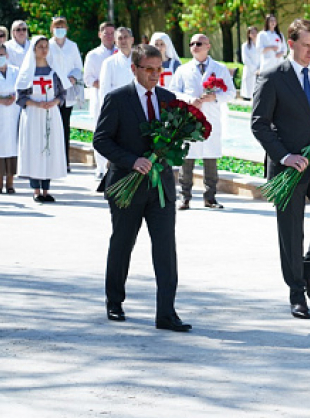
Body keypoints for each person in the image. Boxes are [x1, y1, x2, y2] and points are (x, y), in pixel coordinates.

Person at [251, 18, 310, 320]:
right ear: (290, 44)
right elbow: (259, 124)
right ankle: (296, 294)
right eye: (306, 45)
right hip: (288, 169)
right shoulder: (271, 76)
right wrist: (284, 156)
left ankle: (307, 273)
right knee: (291, 233)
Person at [93, 44, 191, 332]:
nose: (154, 74)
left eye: (158, 69)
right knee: (122, 243)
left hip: (160, 187)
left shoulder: (167, 98)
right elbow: (101, 140)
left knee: (165, 249)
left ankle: (166, 313)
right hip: (125, 185)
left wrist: (172, 150)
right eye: (148, 69)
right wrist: (131, 160)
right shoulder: (117, 99)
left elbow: (173, 139)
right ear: (134, 69)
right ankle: (114, 301)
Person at [170, 33, 235, 210]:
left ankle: (210, 197)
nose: (195, 46)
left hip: (211, 116)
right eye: (192, 44)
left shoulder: (219, 68)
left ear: (208, 46)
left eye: (199, 43)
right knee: (188, 157)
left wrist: (214, 97)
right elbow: (173, 92)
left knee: (210, 157)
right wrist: (189, 100)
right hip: (190, 117)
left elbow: (230, 92)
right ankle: (184, 197)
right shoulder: (183, 69)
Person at [15, 36, 69, 203]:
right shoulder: (27, 73)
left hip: (51, 113)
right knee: (34, 148)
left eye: (46, 46)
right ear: (34, 50)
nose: (44, 50)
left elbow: (62, 93)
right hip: (33, 114)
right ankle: (36, 190)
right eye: (40, 47)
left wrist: (54, 102)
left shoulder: (54, 72)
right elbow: (21, 97)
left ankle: (46, 189)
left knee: (49, 148)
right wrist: (36, 104)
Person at [49, 17, 84, 171]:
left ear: (67, 29)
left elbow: (78, 66)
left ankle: (65, 161)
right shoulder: (48, 45)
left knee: (64, 125)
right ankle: (51, 161)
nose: (60, 29)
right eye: (57, 27)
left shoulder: (72, 46)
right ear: (52, 29)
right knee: (51, 126)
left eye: (62, 26)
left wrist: (73, 78)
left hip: (68, 89)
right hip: (51, 90)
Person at [84, 21, 117, 179]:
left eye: (112, 33)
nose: (110, 36)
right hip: (100, 97)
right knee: (101, 132)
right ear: (100, 34)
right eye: (106, 33)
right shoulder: (93, 55)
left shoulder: (122, 54)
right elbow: (88, 79)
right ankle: (101, 167)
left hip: (119, 98)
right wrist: (105, 84)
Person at [0, 43, 21, 193]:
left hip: (13, 113)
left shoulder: (16, 71)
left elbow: (22, 88)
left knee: (12, 148)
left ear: (7, 56)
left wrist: (13, 97)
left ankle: (10, 183)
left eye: (2, 55)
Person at [99, 27, 136, 101]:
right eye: (120, 38)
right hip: (118, 105)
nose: (123, 41)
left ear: (132, 40)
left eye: (126, 37)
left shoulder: (141, 60)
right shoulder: (108, 63)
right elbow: (104, 90)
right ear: (115, 42)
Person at [239, 26, 260, 100]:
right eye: (252, 32)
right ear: (248, 34)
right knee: (248, 93)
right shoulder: (245, 46)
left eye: (255, 32)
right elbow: (245, 60)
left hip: (260, 72)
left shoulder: (261, 45)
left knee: (258, 94)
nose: (254, 34)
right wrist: (255, 70)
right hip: (250, 71)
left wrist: (260, 68)